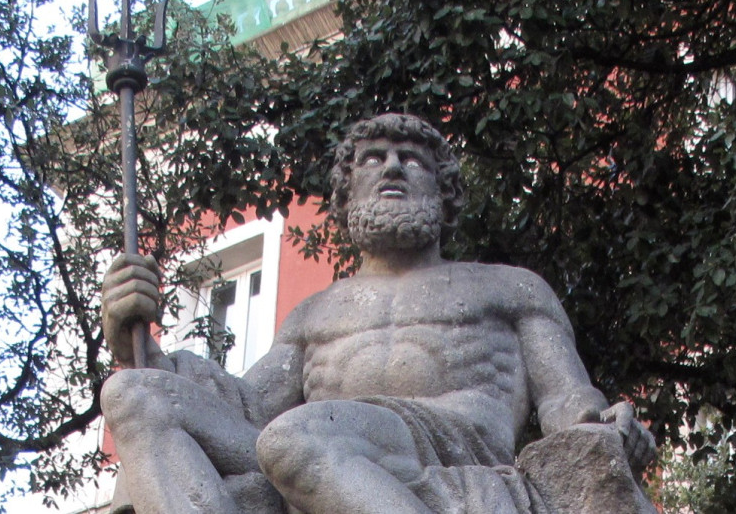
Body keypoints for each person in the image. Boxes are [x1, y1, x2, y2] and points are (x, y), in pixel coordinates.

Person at [100, 113, 655, 513]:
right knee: (133, 397)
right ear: (345, 195)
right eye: (374, 159)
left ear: (443, 193)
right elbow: (246, 408)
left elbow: (566, 399)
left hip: (444, 440)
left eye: (410, 160)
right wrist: (137, 346)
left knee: (296, 439)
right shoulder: (313, 315)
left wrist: (606, 424)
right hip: (319, 455)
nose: (393, 168)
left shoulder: (508, 288)